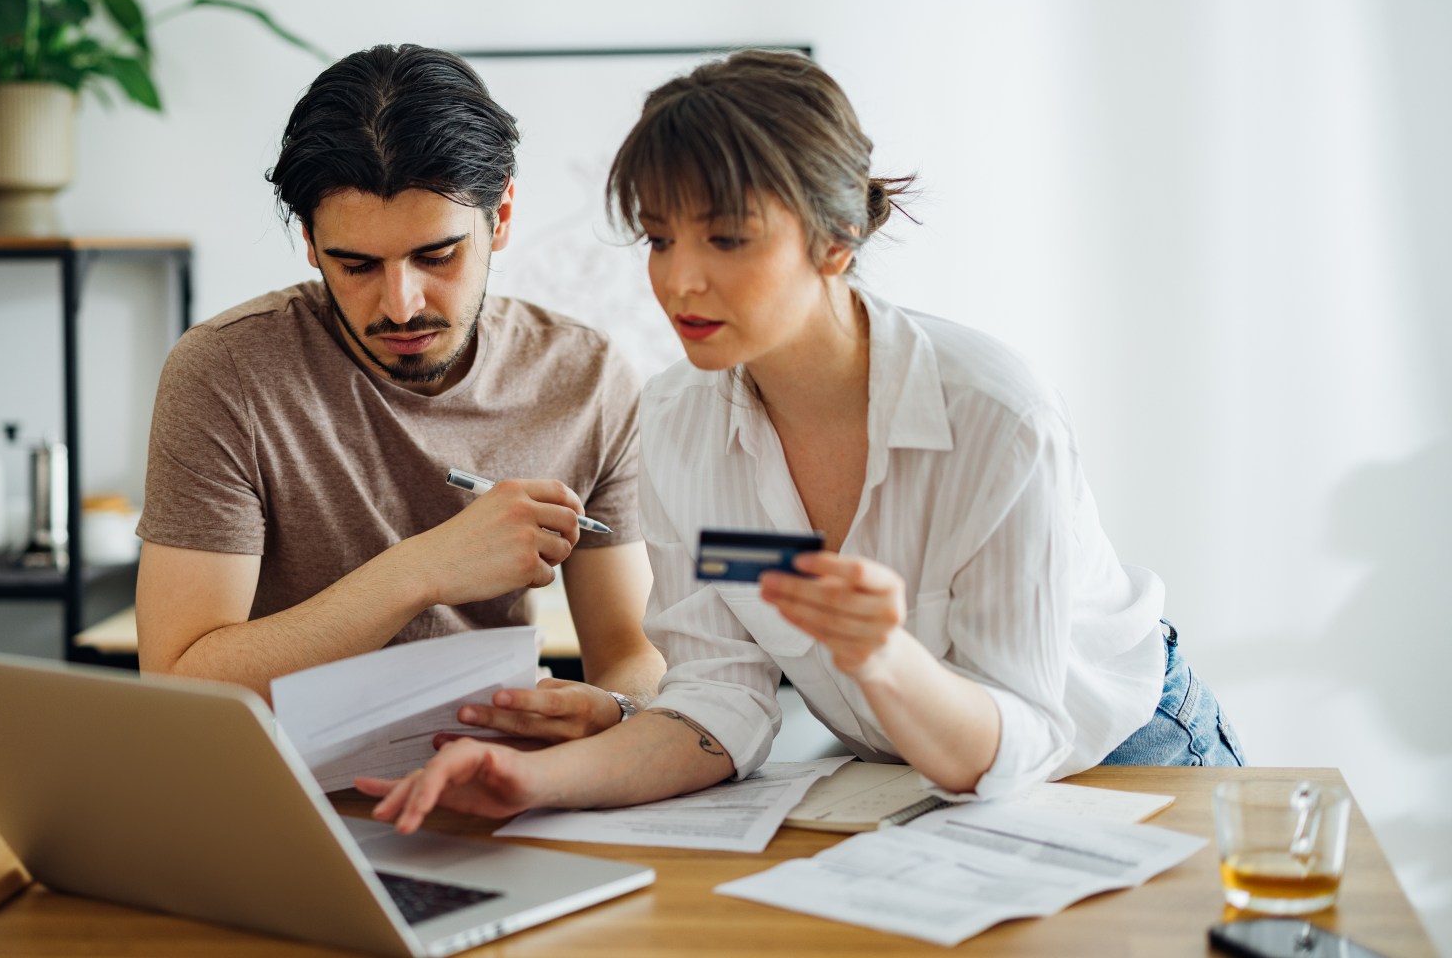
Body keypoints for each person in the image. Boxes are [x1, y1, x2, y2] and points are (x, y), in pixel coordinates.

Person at [359, 49, 1244, 832]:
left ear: (838, 237)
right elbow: (718, 703)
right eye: (660, 239)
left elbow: (1021, 736)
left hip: (1122, 760)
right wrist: (532, 779)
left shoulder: (995, 417)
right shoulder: (674, 417)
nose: (678, 279)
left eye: (728, 238)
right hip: (910, 785)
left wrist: (883, 656)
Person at [134, 44, 664, 740]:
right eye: (354, 264)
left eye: (436, 256)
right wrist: (422, 570)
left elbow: (630, 653)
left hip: (494, 784)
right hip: (284, 796)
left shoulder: (585, 379)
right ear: (310, 242)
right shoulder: (225, 373)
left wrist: (614, 707)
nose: (402, 304)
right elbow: (179, 683)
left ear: (500, 216)